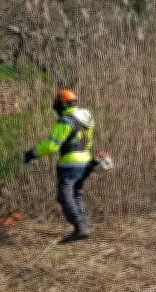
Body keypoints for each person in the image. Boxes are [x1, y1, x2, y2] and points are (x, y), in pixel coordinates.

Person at [24, 89, 96, 243]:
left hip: (70, 164)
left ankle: (80, 227)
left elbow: (51, 146)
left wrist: (31, 154)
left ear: (62, 104)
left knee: (64, 196)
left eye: (57, 106)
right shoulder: (86, 117)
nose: (56, 109)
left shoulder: (66, 121)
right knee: (76, 194)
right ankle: (83, 226)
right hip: (86, 162)